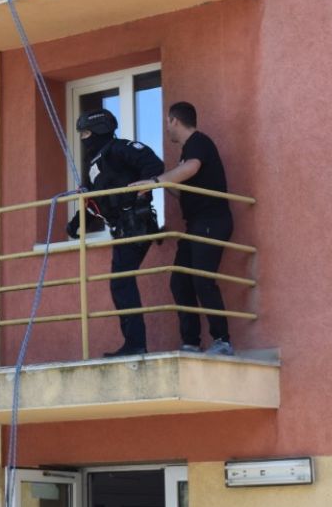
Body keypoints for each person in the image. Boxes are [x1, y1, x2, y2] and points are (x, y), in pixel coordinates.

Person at [133, 101, 235, 356]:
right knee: (180, 281)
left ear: (174, 120)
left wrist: (156, 181)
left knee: (202, 278)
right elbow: (183, 189)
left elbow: (191, 168)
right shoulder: (187, 152)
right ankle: (191, 342)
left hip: (212, 221)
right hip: (196, 224)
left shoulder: (198, 142)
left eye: (167, 123)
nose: (166, 128)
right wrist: (161, 182)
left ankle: (222, 341)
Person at [66, 108, 164, 357]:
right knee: (120, 283)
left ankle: (135, 344)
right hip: (122, 229)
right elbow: (95, 202)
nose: (83, 139)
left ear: (99, 130)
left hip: (136, 224)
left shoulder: (120, 149)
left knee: (121, 283)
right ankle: (134, 343)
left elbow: (154, 165)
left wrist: (140, 190)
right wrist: (77, 222)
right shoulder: (95, 164)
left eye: (86, 133)